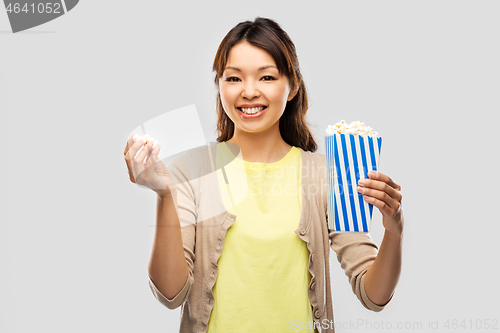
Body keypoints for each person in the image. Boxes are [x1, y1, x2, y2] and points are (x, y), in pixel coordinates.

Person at [123, 17, 404, 333]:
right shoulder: (191, 171)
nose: (249, 91)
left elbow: (373, 294)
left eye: (267, 77)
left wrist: (393, 231)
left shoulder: (326, 175)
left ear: (293, 86)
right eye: (234, 79)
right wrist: (164, 195)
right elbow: (171, 294)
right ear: (219, 86)